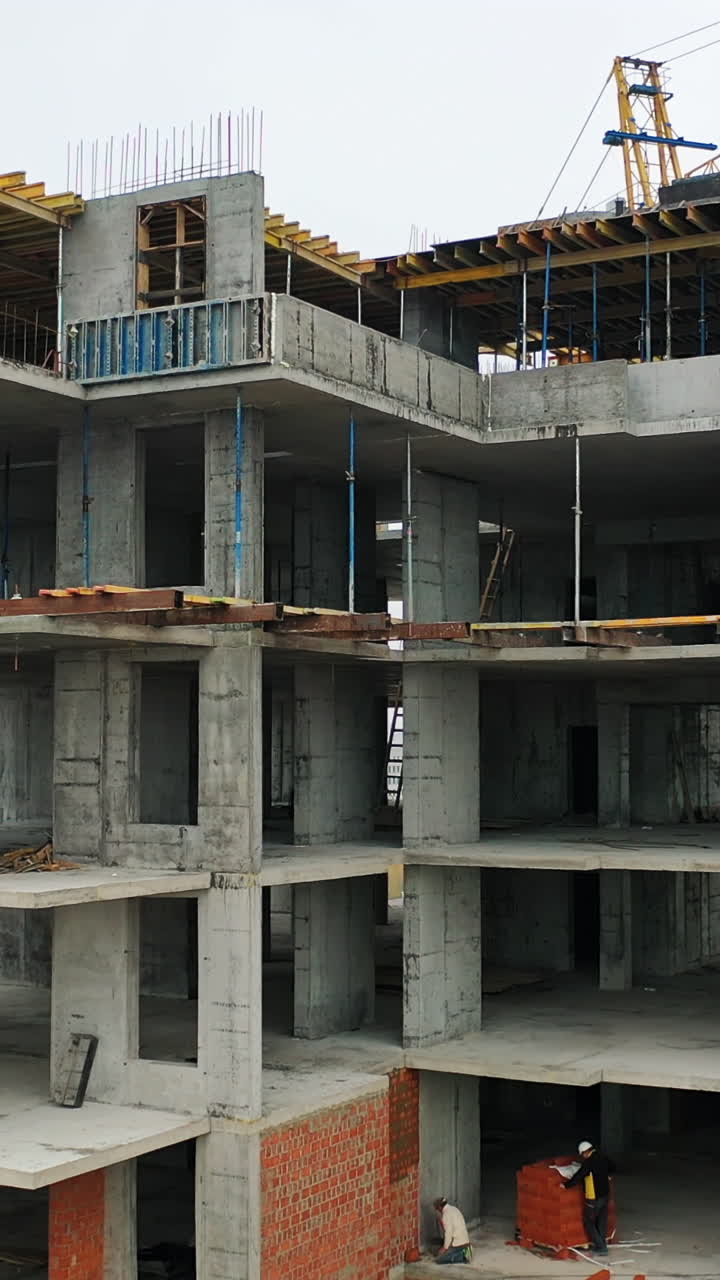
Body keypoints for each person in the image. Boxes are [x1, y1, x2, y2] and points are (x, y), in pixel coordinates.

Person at [562, 1140, 616, 1257]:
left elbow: (578, 1176)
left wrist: (566, 1185)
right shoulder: (603, 1157)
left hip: (594, 1197)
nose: (583, 1157)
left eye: (582, 1154)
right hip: (605, 1194)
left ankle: (601, 1248)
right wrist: (608, 1175)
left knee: (589, 1221)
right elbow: (613, 1166)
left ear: (585, 1152)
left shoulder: (589, 1163)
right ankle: (602, 1245)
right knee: (601, 1220)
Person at [433, 1197, 473, 1264]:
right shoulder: (454, 1209)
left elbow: (448, 1233)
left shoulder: (446, 1214)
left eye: (436, 1208)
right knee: (439, 1244)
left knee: (439, 1260)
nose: (437, 1211)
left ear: (440, 1207)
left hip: (458, 1243)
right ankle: (466, 1250)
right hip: (464, 1241)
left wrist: (444, 1248)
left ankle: (464, 1255)